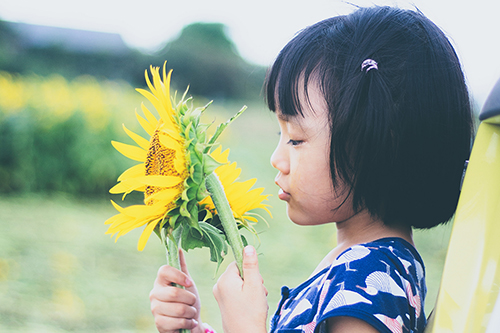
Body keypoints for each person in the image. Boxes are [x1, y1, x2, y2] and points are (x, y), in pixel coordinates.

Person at [149, 6, 474, 333]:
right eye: (281, 134)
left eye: (297, 138)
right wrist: (191, 328)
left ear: (375, 144)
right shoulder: (360, 265)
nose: (277, 158)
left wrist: (244, 326)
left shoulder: (373, 282)